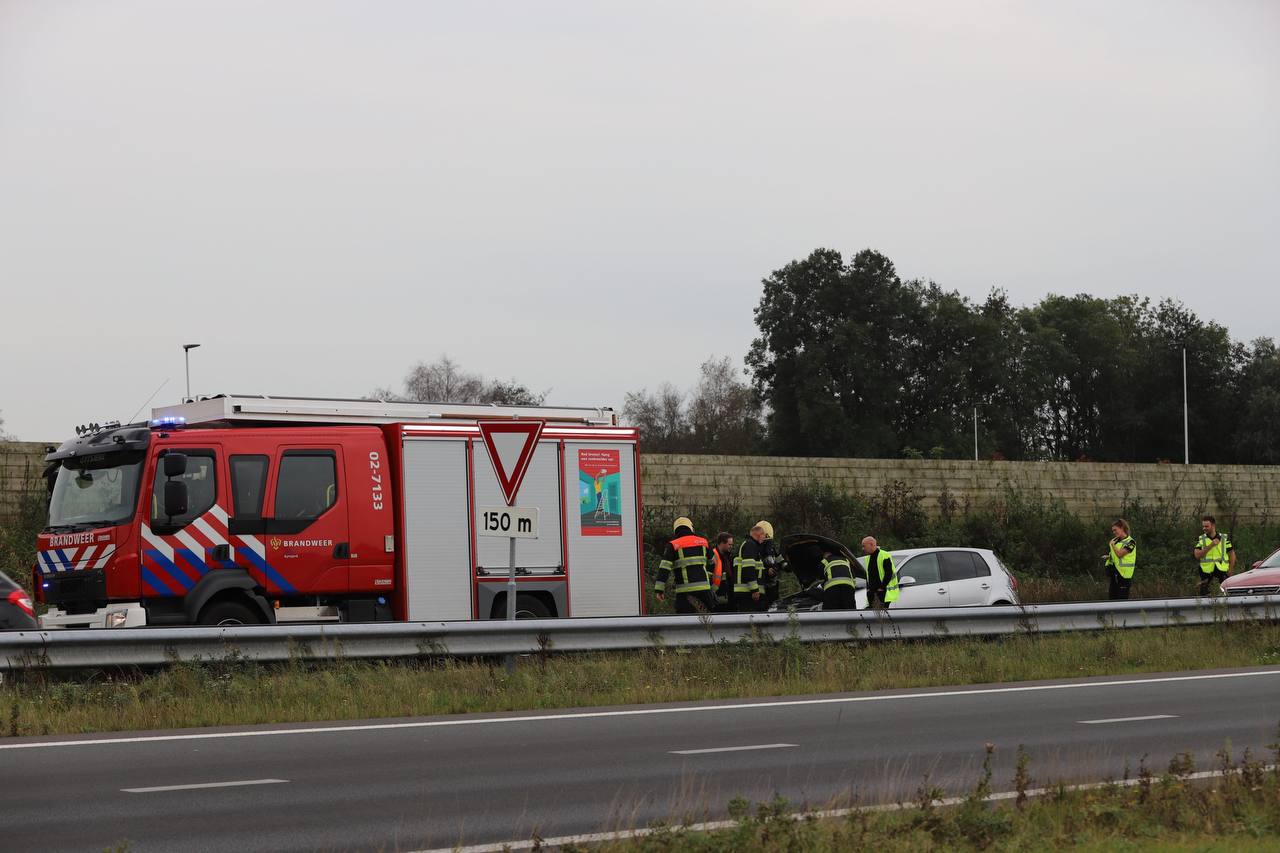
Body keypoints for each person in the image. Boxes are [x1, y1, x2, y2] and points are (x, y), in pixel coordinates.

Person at [654, 517, 716, 614]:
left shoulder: (673, 545)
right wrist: (708, 577)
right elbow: (713, 562)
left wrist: (659, 590)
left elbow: (664, 568)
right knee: (707, 623)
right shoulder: (703, 542)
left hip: (685, 593)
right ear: (691, 528)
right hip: (704, 591)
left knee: (685, 624)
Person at [1193, 514, 1235, 596]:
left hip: (1222, 573)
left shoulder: (1224, 538)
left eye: (1206, 526)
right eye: (1203, 526)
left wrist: (1230, 570)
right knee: (1205, 598)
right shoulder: (1202, 539)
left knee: (1224, 597)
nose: (1204, 528)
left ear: (1213, 525)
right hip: (1206, 574)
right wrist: (1211, 545)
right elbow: (1197, 555)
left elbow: (1232, 554)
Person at [732, 522, 768, 612]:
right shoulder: (750, 545)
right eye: (764, 535)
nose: (765, 538)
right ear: (758, 535)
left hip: (747, 593)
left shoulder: (751, 545)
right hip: (747, 593)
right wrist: (754, 590)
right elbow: (748, 569)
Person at [861, 536, 899, 610]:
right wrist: (869, 589)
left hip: (883, 594)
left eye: (864, 546)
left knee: (881, 618)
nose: (863, 549)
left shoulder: (884, 555)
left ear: (871, 544)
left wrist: (881, 587)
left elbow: (889, 573)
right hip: (873, 595)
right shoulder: (868, 558)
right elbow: (869, 576)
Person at [1105, 518, 1137, 600]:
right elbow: (1115, 556)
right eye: (1113, 531)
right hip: (1115, 574)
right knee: (1111, 599)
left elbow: (1119, 554)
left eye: (1115, 530)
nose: (1114, 532)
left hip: (1124, 576)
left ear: (1122, 528)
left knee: (1122, 601)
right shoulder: (1115, 541)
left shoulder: (1131, 542)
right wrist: (1109, 557)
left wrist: (1112, 545)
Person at [756, 520, 784, 608]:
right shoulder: (755, 549)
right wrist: (767, 571)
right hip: (763, 586)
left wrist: (784, 565)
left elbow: (779, 559)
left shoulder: (770, 547)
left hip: (771, 586)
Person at [712, 532, 735, 612]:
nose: (731, 547)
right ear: (722, 543)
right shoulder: (713, 556)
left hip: (727, 596)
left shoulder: (728, 557)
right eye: (729, 544)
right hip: (717, 597)